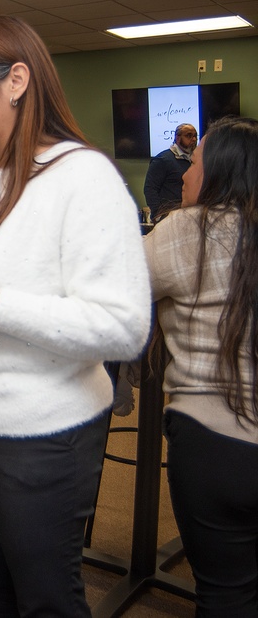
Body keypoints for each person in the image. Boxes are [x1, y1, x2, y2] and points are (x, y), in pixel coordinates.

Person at [0, 14, 151, 616]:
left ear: (16, 80)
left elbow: (123, 325)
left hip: (40, 438)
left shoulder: (83, 178)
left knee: (45, 599)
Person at [143, 115, 258, 616]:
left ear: (219, 172)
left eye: (197, 160)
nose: (187, 170)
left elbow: (112, 298)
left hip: (215, 447)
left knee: (225, 593)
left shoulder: (186, 229)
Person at [143, 122, 197, 222]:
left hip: (191, 217)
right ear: (177, 138)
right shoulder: (162, 160)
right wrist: (158, 214)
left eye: (195, 136)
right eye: (189, 136)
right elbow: (150, 189)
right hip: (168, 218)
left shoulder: (196, 160)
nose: (193, 139)